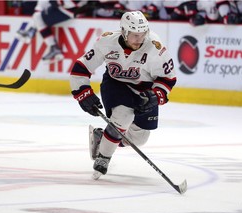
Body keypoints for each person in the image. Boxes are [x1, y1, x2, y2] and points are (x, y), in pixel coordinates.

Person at [70, 11, 176, 179]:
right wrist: (82, 92)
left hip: (144, 90)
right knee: (123, 117)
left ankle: (102, 137)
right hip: (115, 85)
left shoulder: (156, 48)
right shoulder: (107, 41)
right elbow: (81, 67)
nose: (139, 39)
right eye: (134, 35)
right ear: (124, 32)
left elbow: (167, 79)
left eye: (142, 34)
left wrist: (155, 96)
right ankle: (103, 158)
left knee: (139, 138)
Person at [17, 0, 88, 62]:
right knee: (41, 5)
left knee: (38, 17)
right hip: (71, 8)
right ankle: (32, 29)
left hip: (72, 10)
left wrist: (57, 1)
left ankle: (53, 47)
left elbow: (68, 3)